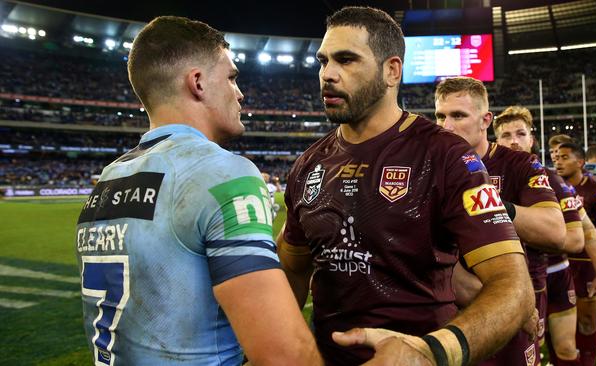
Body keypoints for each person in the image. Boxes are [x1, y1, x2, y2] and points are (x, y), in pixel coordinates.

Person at [277, 7, 534, 366]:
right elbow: (292, 268)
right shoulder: (309, 164)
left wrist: (431, 352)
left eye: (347, 60)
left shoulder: (446, 155)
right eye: (323, 61)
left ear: (391, 70)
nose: (328, 74)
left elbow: (515, 290)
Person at [75, 16, 322, 366]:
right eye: (232, 77)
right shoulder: (224, 173)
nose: (240, 92)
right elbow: (285, 357)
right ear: (198, 82)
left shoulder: (106, 182)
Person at [434, 78, 567, 366]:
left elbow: (556, 232)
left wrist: (489, 203)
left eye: (458, 115)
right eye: (440, 116)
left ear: (485, 120)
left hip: (515, 303)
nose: (446, 126)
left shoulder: (520, 164)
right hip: (452, 305)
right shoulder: (431, 169)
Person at [494, 108, 596, 366]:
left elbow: (582, 234)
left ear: (531, 140)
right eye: (506, 135)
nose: (513, 141)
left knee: (564, 348)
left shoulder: (549, 179)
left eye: (520, 134)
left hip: (554, 271)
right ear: (495, 141)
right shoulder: (485, 178)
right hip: (514, 279)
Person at [555, 142, 596, 366]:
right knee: (563, 321)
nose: (557, 161)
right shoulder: (554, 187)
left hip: (587, 264)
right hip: (561, 263)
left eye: (564, 157)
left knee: (586, 319)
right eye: (555, 156)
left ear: (580, 162)